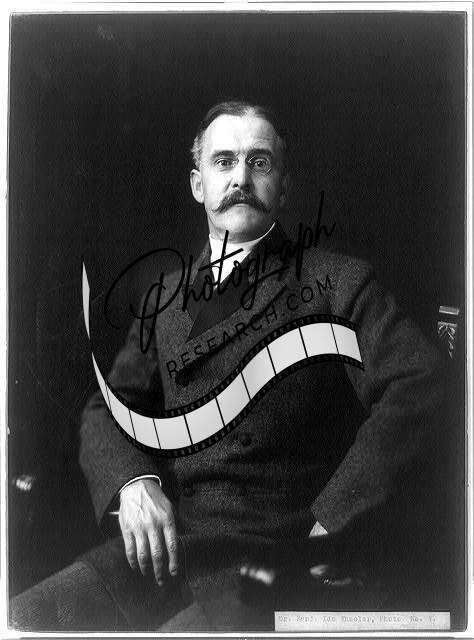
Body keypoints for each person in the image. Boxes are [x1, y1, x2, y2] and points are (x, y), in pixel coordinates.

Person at [10, 101, 444, 631]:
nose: (241, 178)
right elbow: (108, 408)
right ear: (199, 185)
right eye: (223, 162)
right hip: (165, 554)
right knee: (24, 619)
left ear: (282, 187)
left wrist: (337, 520)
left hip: (276, 560)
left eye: (260, 162)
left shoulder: (341, 283)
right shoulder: (166, 299)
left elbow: (421, 383)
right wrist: (133, 483)